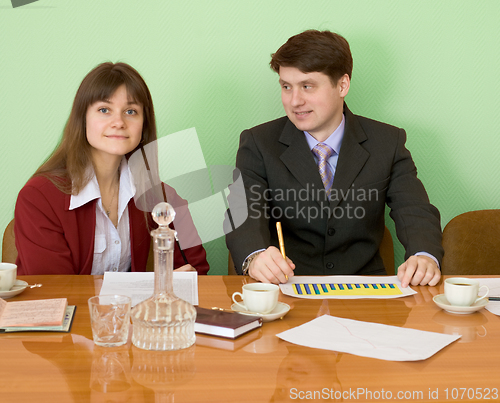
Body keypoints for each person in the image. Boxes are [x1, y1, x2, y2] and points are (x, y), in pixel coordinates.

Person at [225, 30, 442, 287]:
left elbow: (414, 210)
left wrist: (424, 256)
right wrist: (255, 256)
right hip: (286, 288)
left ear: (342, 85)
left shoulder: (388, 142)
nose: (294, 101)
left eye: (307, 86)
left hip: (364, 293)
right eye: (286, 87)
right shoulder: (259, 142)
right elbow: (242, 215)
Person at [15, 62, 209, 275]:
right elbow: (55, 292)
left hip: (134, 310)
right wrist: (148, 288)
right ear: (82, 120)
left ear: (144, 126)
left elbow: (196, 272)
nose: (118, 122)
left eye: (131, 111)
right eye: (104, 110)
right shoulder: (39, 197)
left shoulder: (164, 198)